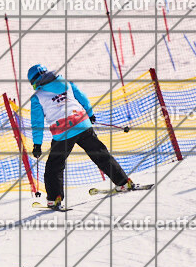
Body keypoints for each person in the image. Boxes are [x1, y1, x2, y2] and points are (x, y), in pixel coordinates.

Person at [27, 65, 134, 209]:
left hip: (63, 132)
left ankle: (54, 198)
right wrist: (90, 114)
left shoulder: (37, 97)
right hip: (82, 124)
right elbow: (82, 97)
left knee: (55, 166)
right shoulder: (65, 82)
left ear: (35, 81)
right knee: (100, 154)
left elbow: (37, 123)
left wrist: (37, 144)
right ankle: (123, 182)